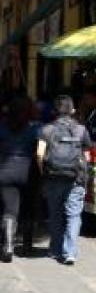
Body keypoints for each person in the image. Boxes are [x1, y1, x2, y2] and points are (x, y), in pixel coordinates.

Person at [36, 95, 92, 265]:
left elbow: (39, 154)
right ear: (73, 110)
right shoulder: (81, 130)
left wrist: (43, 171)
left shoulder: (46, 130)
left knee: (55, 214)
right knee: (74, 214)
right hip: (75, 177)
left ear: (54, 111)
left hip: (53, 176)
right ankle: (70, 253)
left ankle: (55, 250)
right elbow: (88, 156)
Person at [0, 96, 39, 262]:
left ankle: (8, 246)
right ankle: (27, 246)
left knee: (10, 210)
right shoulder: (35, 128)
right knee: (29, 209)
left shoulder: (1, 127)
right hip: (29, 172)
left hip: (5, 171)